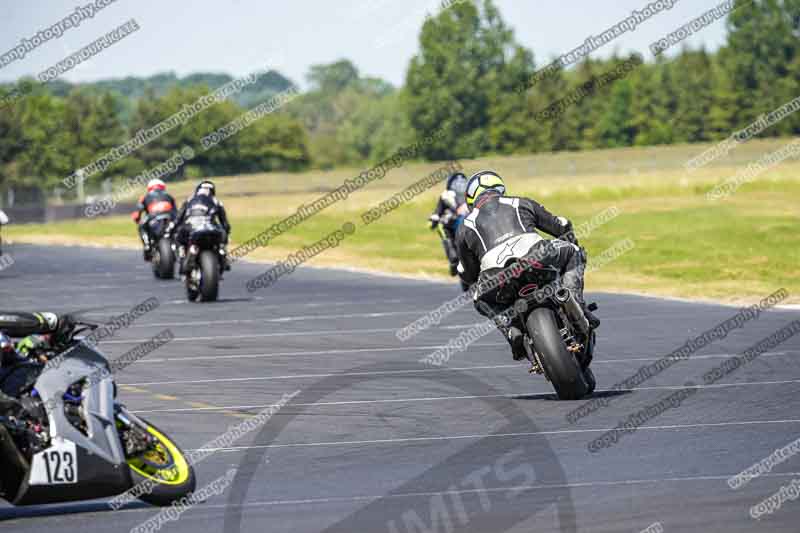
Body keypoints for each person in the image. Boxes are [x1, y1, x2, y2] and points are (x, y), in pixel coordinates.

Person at [455, 170, 599, 361]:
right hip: (536, 257)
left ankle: (510, 330)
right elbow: (560, 226)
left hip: (496, 276)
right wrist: (569, 235)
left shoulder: (464, 226)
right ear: (500, 189)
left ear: (471, 199)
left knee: (480, 299)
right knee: (573, 251)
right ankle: (575, 303)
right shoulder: (521, 202)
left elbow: (468, 273)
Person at [170, 181, 231, 274]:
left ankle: (183, 257)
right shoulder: (216, 201)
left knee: (179, 238)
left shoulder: (189, 200)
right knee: (221, 236)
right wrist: (226, 234)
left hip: (191, 227)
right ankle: (222, 254)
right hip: (210, 227)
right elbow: (225, 223)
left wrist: (172, 230)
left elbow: (178, 219)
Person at [429, 173, 469, 276]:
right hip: (451, 225)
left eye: (462, 182)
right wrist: (434, 220)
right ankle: (453, 259)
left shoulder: (470, 194)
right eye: (457, 182)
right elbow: (437, 212)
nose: (460, 185)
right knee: (442, 227)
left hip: (468, 225)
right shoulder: (446, 195)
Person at [132, 179, 177, 261]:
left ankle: (147, 245)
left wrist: (137, 220)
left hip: (153, 217)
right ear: (163, 187)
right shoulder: (169, 196)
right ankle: (178, 245)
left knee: (141, 226)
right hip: (169, 217)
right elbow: (176, 212)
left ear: (149, 188)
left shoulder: (145, 197)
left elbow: (136, 215)